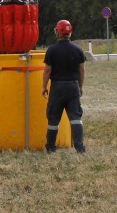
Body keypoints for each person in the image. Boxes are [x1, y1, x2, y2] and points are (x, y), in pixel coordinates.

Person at [41, 19, 87, 154]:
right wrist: (80, 86)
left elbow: (47, 70)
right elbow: (82, 71)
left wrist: (44, 86)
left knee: (53, 118)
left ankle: (50, 147)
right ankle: (80, 147)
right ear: (70, 33)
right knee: (76, 118)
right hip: (73, 86)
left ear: (57, 32)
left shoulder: (52, 50)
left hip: (57, 87)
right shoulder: (78, 50)